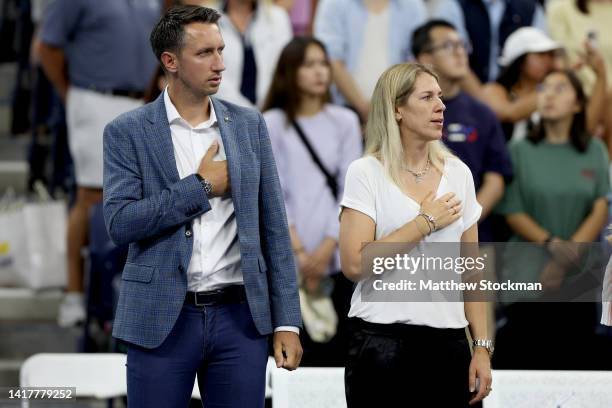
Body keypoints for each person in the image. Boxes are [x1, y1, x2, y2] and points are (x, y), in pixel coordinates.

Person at [102, 6, 302, 407]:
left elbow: (274, 229)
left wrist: (287, 322)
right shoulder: (126, 131)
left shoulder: (249, 125)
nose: (220, 64)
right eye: (205, 53)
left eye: (221, 50)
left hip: (240, 317)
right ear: (170, 62)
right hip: (162, 318)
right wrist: (202, 186)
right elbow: (121, 223)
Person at [339, 63, 492, 407]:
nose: (441, 105)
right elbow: (353, 263)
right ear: (397, 109)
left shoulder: (459, 173)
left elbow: (472, 271)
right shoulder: (366, 172)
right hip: (381, 343)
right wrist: (424, 222)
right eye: (427, 97)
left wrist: (481, 347)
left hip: (450, 344)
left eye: (439, 96)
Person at [38, 0, 162, 327]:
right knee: (92, 196)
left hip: (138, 102)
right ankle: (74, 293)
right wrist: (70, 95)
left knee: (139, 196)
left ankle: (123, 289)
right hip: (93, 97)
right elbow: (46, 47)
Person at [494, 69, 610, 369]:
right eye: (544, 87)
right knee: (526, 365)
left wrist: (563, 259)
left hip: (579, 276)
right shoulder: (519, 150)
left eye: (561, 88)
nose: (548, 94)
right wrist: (552, 244)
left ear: (578, 104)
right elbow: (512, 209)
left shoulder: (594, 149)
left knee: (575, 368)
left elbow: (599, 206)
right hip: (526, 273)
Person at [262, 37, 362, 365]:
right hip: (287, 254)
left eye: (323, 63)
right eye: (309, 64)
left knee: (334, 353)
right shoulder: (272, 122)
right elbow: (274, 192)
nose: (320, 72)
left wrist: (325, 249)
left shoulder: (345, 120)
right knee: (289, 356)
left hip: (334, 254)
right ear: (289, 72)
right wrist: (301, 253)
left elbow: (351, 190)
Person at [413, 19, 512, 243]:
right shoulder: (406, 110)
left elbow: (496, 179)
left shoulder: (482, 113)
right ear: (425, 57)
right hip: (413, 234)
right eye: (449, 46)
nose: (460, 53)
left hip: (475, 234)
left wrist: (466, 220)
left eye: (462, 45)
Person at [314, 0, 426, 122]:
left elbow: (417, 59)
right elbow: (331, 59)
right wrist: (363, 108)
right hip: (345, 108)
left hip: (398, 109)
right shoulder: (333, 3)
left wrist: (394, 107)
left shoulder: (412, 5)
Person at [457, 0, 547, 83]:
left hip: (516, 91)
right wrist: (485, 97)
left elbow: (543, 60)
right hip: (464, 91)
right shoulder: (457, 4)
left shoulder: (530, 8)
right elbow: (453, 59)